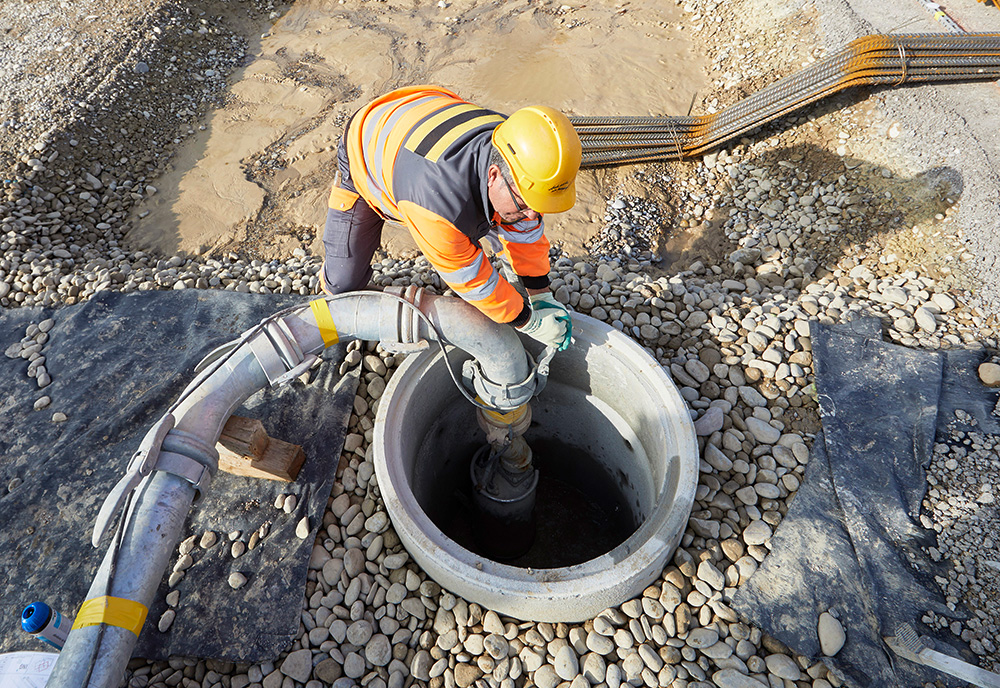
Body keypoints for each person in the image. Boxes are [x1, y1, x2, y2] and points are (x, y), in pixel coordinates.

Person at [321, 85, 582, 351]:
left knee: (505, 215)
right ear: (494, 175)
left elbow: (526, 231)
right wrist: (528, 322)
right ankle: (336, 321)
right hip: (367, 144)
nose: (532, 215)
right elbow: (473, 281)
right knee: (343, 283)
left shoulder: (518, 146)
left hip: (426, 110)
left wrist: (541, 293)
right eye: (526, 204)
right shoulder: (435, 204)